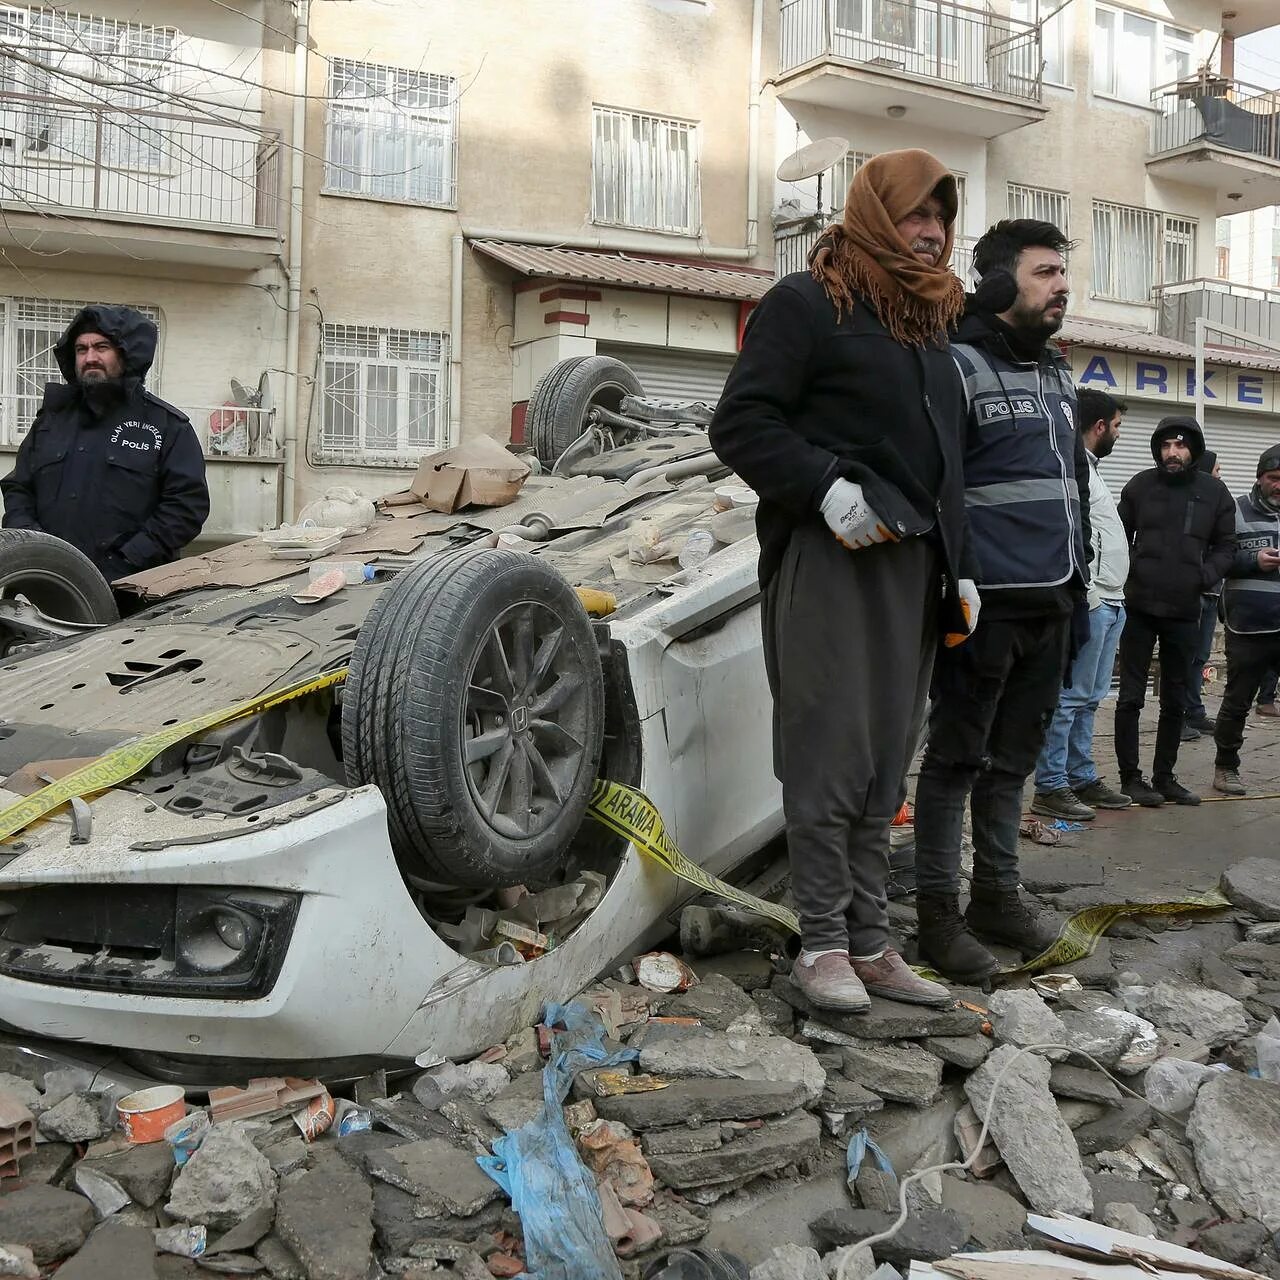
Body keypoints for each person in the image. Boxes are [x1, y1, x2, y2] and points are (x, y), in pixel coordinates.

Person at [709, 149, 977, 1011]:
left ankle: (871, 941)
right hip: (832, 556)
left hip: (916, 562)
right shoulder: (809, 302)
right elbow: (741, 422)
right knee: (829, 750)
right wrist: (824, 485)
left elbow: (947, 466)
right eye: (913, 215)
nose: (931, 232)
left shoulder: (931, 327)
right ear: (872, 214)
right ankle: (820, 938)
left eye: (940, 216)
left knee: (885, 759)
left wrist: (961, 566)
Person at [913, 218, 1091, 983]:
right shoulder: (953, 365)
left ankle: (998, 897)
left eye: (1062, 272)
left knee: (1011, 764)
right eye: (1045, 272)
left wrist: (1080, 586)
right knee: (955, 760)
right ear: (995, 283)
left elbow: (1071, 488)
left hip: (1052, 602)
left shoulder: (1056, 373)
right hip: (983, 605)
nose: (1062, 286)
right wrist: (956, 588)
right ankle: (938, 920)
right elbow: (937, 488)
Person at [1, 304, 208, 582]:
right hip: (48, 581)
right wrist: (35, 547)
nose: (90, 357)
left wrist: (127, 558)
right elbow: (19, 488)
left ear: (125, 353)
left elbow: (186, 506)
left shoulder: (167, 425)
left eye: (101, 347)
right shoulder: (51, 420)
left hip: (134, 587)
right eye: (81, 349)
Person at [1113, 419, 1235, 807]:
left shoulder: (1214, 493)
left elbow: (1226, 546)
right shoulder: (1139, 486)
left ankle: (1165, 777)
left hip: (1185, 608)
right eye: (1165, 445)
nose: (1172, 453)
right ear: (1157, 450)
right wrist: (1132, 569)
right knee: (1130, 697)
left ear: (1193, 450)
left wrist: (1203, 576)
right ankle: (1131, 778)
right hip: (1138, 607)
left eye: (1180, 446)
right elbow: (1116, 535)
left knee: (1176, 699)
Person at [1032, 387, 1131, 820]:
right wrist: (1088, 597)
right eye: (1117, 427)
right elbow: (1077, 537)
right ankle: (1051, 784)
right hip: (1094, 601)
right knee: (1071, 698)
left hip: (1111, 601)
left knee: (1090, 698)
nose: (1118, 435)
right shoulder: (1075, 472)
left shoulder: (1092, 470)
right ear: (1098, 427)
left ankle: (1081, 775)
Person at [1212, 445, 1280, 796]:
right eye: (1273, 478)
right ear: (1259, 478)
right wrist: (1255, 561)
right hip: (1248, 625)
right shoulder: (1234, 510)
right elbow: (1218, 558)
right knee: (1238, 699)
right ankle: (1226, 767)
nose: (1279, 485)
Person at [1183, 449, 1225, 740]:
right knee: (1184, 656)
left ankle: (1194, 712)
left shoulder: (1216, 504)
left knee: (1200, 656)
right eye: (1217, 469)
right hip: (1193, 593)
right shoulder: (1191, 504)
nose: (1220, 475)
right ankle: (1178, 716)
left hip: (1212, 593)